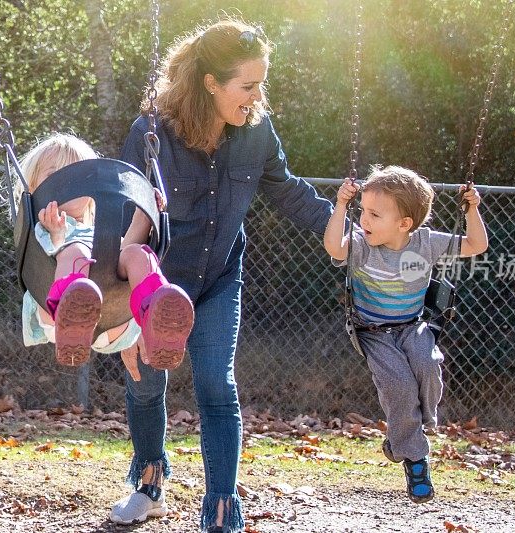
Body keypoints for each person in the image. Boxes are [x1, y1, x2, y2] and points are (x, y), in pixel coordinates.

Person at [112, 18, 334, 533]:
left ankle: (220, 506)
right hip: (155, 282)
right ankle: (149, 484)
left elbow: (290, 192)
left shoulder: (255, 132)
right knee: (146, 380)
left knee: (217, 384)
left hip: (217, 279)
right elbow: (121, 220)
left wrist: (346, 229)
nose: (257, 97)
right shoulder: (152, 133)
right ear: (210, 83)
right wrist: (117, 305)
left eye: (262, 84)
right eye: (247, 86)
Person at [323, 165, 488, 503]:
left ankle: (407, 431)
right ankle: (415, 460)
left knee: (428, 368)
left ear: (404, 224)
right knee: (398, 385)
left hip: (413, 327)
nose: (364, 220)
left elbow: (476, 245)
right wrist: (341, 205)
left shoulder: (426, 244)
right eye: (362, 211)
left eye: (373, 214)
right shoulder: (361, 245)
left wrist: (473, 208)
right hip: (372, 332)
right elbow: (334, 248)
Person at [16, 133, 194, 374]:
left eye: (79, 176)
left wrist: (145, 216)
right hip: (53, 316)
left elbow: (122, 253)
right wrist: (56, 235)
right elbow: (40, 259)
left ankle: (156, 316)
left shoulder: (97, 229)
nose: (70, 183)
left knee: (137, 253)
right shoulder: (40, 225)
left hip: (116, 320)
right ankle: (71, 314)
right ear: (36, 187)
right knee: (76, 251)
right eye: (54, 175)